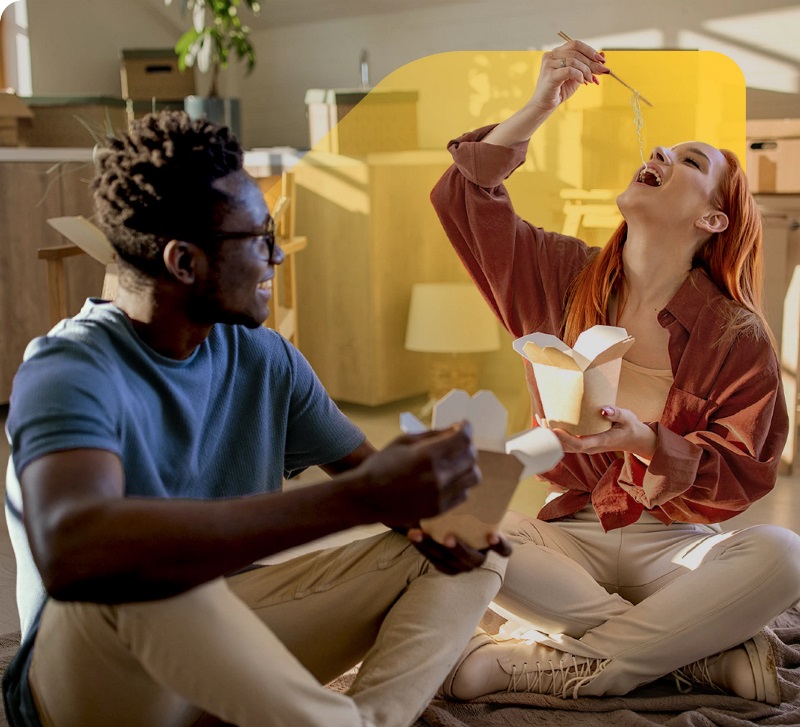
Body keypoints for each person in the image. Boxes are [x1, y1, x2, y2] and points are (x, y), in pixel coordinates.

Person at [2, 110, 512, 727]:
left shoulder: (265, 359)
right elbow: (73, 550)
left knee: (470, 546)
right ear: (185, 262)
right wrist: (354, 499)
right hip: (92, 684)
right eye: (259, 240)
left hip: (226, 651)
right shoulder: (68, 367)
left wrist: (433, 496)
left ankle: (374, 718)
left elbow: (382, 489)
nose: (276, 258)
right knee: (150, 566)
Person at [430, 38, 800, 705]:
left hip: (675, 548)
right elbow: (465, 192)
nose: (657, 154)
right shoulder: (558, 276)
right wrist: (541, 101)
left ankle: (541, 665)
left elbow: (745, 472)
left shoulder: (737, 335)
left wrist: (647, 443)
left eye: (689, 160)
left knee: (782, 553)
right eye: (660, 149)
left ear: (712, 218)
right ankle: (694, 658)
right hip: (566, 537)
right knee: (448, 519)